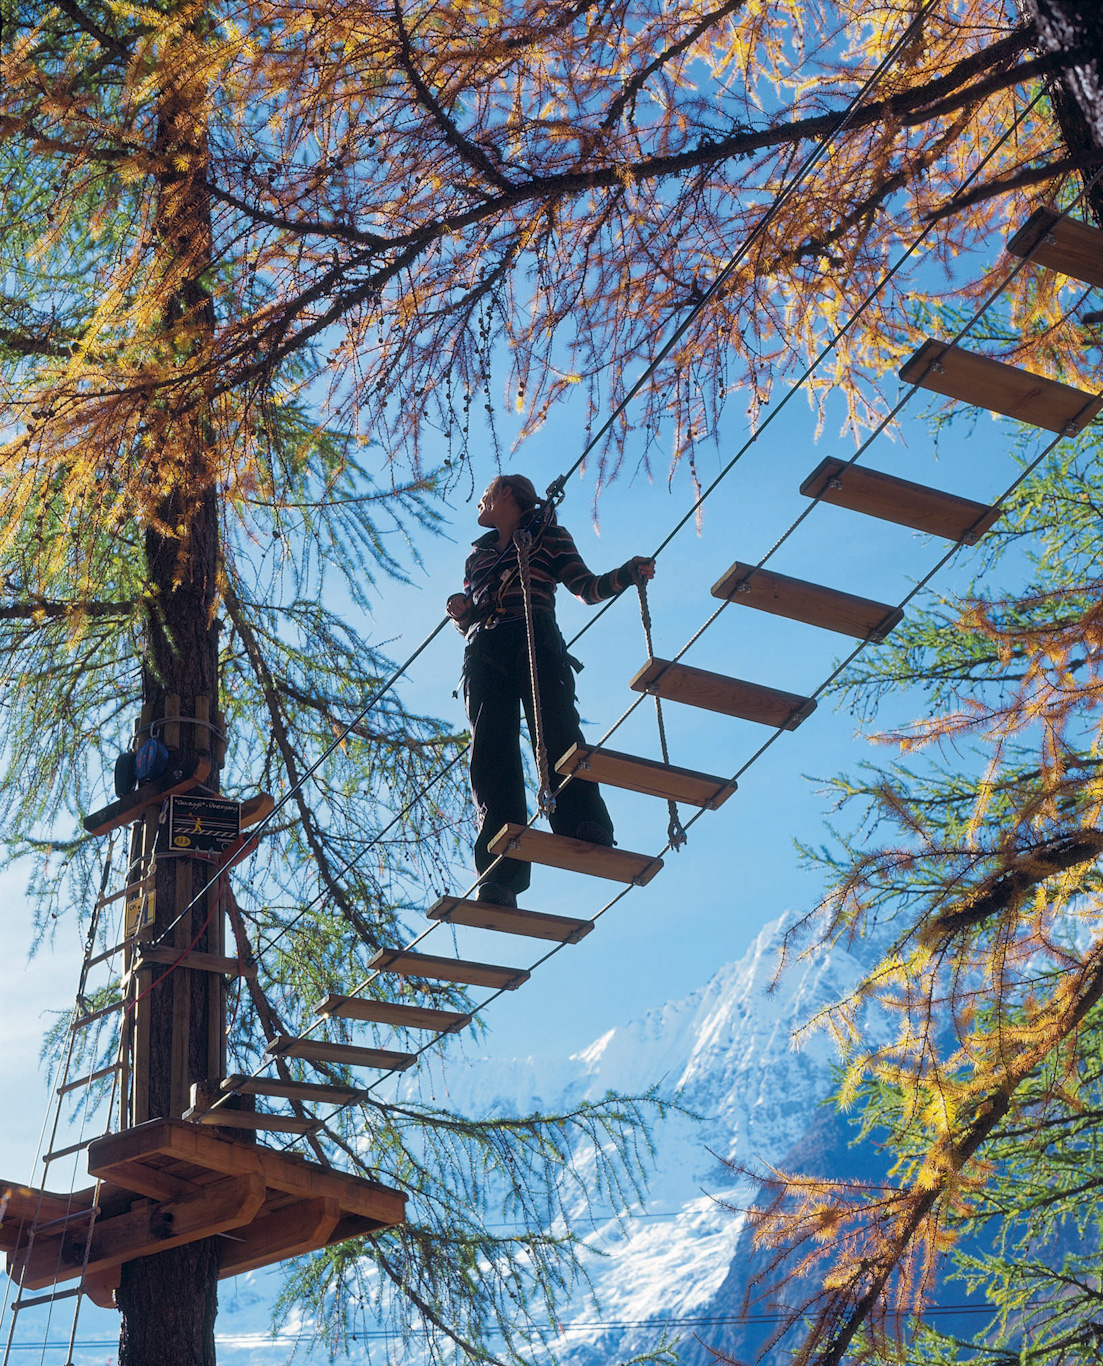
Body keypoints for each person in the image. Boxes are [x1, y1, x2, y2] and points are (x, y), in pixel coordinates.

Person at [447, 474, 655, 908]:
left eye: (485, 495)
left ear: (507, 494)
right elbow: (474, 620)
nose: (479, 504)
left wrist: (626, 575)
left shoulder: (549, 536)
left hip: (535, 637)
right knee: (491, 754)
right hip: (485, 651)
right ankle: (500, 874)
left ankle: (583, 823)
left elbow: (585, 587)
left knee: (557, 729)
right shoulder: (476, 558)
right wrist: (463, 615)